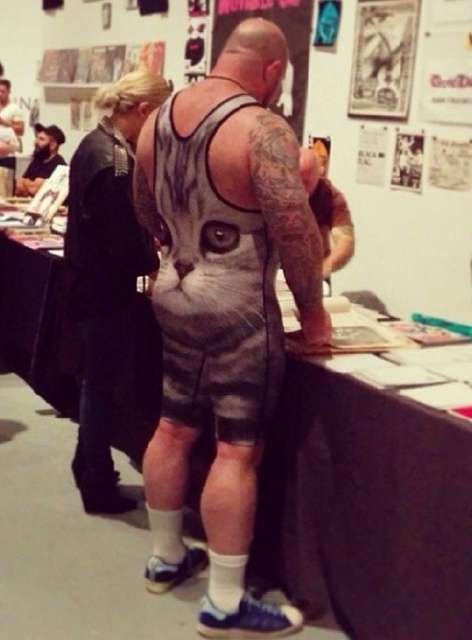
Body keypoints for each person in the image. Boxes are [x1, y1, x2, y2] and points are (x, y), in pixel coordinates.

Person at [134, 17, 331, 638]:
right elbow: (294, 232)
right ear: (271, 70)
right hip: (239, 308)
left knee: (172, 426)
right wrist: (315, 315)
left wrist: (172, 247)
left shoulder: (157, 119)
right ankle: (224, 601)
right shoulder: (261, 128)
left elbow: (144, 206)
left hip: (173, 295)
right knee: (236, 450)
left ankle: (166, 556)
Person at [63, 69, 171, 515]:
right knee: (100, 386)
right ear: (143, 110)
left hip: (89, 283)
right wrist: (153, 261)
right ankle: (97, 479)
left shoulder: (95, 143)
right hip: (105, 289)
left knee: (96, 381)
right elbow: (121, 239)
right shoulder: (116, 160)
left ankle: (86, 462)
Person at [299, 147, 355, 279]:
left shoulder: (329, 195)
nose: (302, 188)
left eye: (307, 182)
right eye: (297, 181)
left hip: (314, 269)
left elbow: (345, 240)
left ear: (319, 174)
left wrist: (323, 269)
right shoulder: (273, 188)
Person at [15, 124, 67, 197]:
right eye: (37, 138)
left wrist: (25, 183)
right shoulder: (37, 160)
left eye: (41, 139)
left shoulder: (58, 164)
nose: (36, 142)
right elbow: (19, 185)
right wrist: (28, 184)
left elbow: (34, 190)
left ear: (53, 145)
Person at [0, 79, 24, 143]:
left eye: (2, 91)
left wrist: (3, 121)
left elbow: (21, 131)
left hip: (8, 144)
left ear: (9, 92)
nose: (0, 94)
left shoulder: (15, 108)